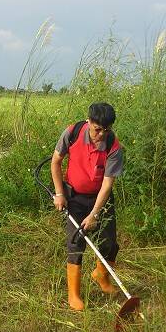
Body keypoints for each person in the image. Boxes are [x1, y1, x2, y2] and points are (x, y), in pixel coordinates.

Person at [51, 102, 124, 311]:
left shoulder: (113, 146)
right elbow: (55, 162)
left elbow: (107, 184)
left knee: (109, 243)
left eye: (106, 130)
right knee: (76, 244)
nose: (100, 134)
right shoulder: (72, 132)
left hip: (101, 198)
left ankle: (101, 276)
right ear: (89, 121)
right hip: (74, 197)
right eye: (97, 129)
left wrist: (94, 214)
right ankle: (73, 294)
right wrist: (59, 193)